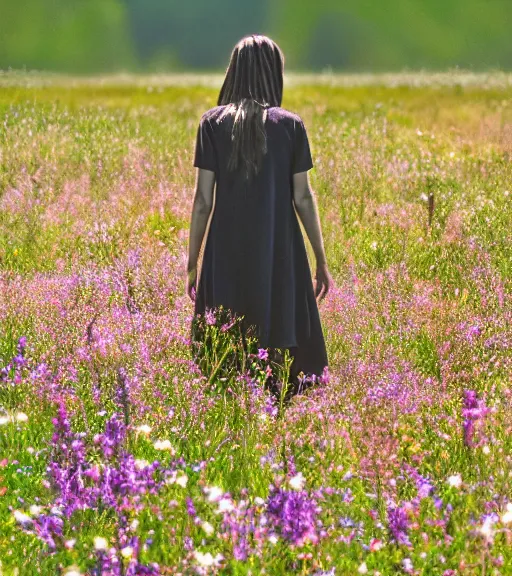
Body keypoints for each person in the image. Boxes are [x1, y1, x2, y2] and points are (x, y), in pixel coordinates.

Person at [186, 34, 332, 399]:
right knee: (279, 328)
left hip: (226, 247)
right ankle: (276, 403)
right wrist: (320, 259)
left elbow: (203, 200)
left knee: (226, 335)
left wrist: (193, 262)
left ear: (233, 72)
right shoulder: (290, 126)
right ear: (273, 73)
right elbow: (303, 197)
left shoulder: (211, 124)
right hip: (278, 246)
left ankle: (234, 402)